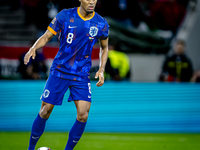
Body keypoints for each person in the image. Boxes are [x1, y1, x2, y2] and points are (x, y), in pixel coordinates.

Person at [24, 0, 109, 149]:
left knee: (83, 114)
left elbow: (105, 47)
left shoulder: (101, 23)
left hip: (81, 74)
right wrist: (33, 48)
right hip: (60, 71)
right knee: (45, 111)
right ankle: (30, 148)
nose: (91, 1)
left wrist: (101, 69)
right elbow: (46, 36)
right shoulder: (65, 15)